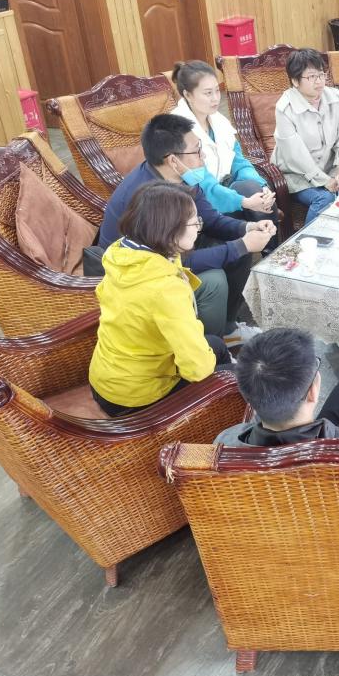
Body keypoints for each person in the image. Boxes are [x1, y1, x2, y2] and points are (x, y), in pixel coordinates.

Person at [97, 114, 275, 345]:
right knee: (214, 280)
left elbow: (211, 219)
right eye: (196, 151)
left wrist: (249, 227)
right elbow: (171, 262)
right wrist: (240, 245)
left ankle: (228, 329)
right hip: (137, 274)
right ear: (173, 160)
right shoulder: (149, 200)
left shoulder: (182, 177)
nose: (202, 156)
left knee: (240, 249)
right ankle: (210, 346)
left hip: (169, 249)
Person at [89, 182, 233, 418]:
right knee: (236, 377)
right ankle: (219, 422)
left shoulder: (122, 253)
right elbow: (197, 369)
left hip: (107, 380)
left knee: (215, 344)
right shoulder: (165, 289)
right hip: (135, 398)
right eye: (194, 222)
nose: (199, 227)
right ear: (169, 229)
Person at [169, 59, 277, 221]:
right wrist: (243, 201)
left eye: (217, 91)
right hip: (196, 200)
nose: (215, 98)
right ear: (187, 95)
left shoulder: (219, 120)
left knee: (259, 196)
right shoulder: (177, 128)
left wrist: (261, 187)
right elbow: (201, 184)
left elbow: (238, 161)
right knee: (251, 208)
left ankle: (268, 237)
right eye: (208, 93)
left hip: (224, 190)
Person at [272, 48, 339, 225]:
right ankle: (306, 240)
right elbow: (296, 157)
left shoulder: (334, 99)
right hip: (297, 176)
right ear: (295, 81)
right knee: (325, 199)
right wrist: (325, 181)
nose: (319, 81)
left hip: (329, 170)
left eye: (321, 74)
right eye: (311, 77)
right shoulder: (284, 109)